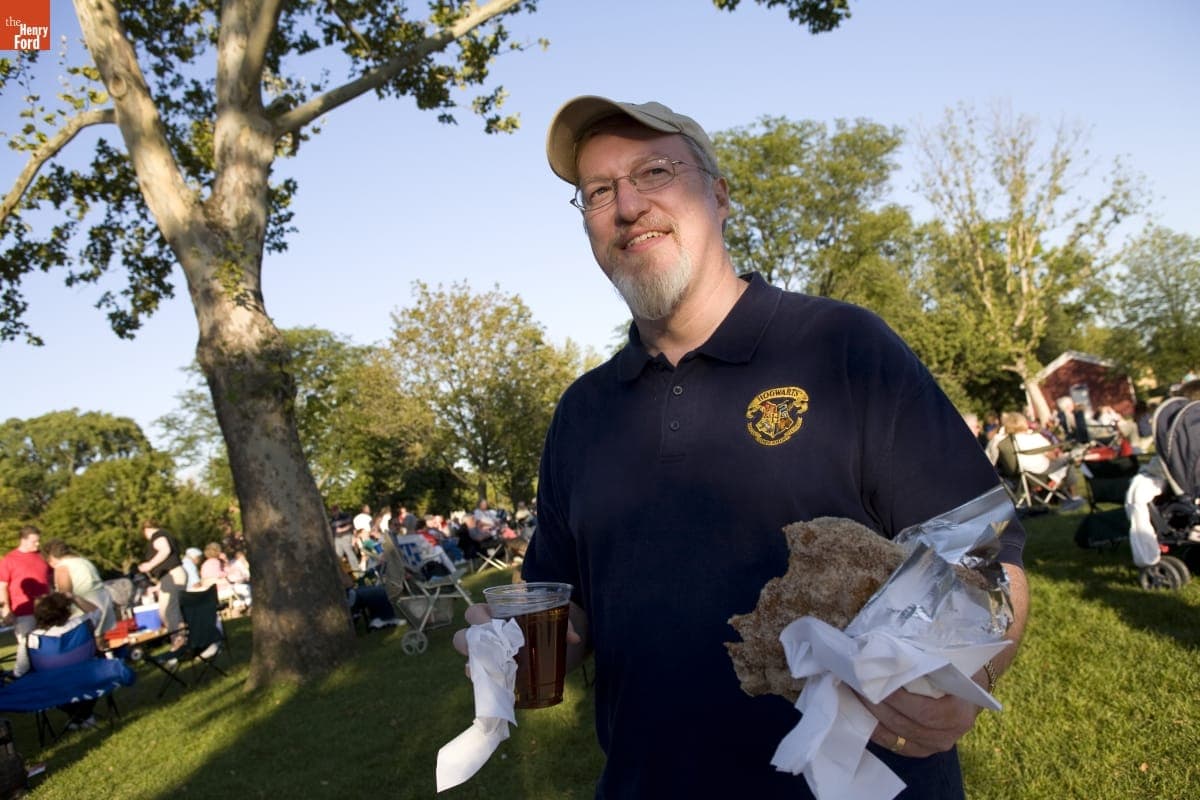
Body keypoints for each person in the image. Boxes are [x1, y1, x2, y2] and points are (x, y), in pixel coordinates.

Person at [454, 96, 1029, 799]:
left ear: (719, 196)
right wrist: (513, 650)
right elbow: (569, 610)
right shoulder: (582, 413)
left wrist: (972, 675)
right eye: (599, 191)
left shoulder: (843, 346)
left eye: (655, 172)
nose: (627, 206)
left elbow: (985, 555)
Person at [18, 591, 104, 730]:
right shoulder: (82, 624)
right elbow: (97, 612)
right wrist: (74, 597)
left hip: (53, 689)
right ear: (66, 610)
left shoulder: (31, 639)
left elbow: (20, 671)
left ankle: (79, 716)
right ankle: (84, 715)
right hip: (89, 679)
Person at [0, 526, 53, 678]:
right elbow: (2, 586)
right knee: (26, 644)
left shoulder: (41, 557)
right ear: (23, 540)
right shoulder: (9, 560)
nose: (37, 544)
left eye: (38, 541)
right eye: (34, 541)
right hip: (23, 611)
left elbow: (50, 581)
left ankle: (46, 672)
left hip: (46, 609)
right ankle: (20, 674)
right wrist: (6, 610)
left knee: (48, 643)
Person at [43, 539, 116, 635]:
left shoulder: (62, 567)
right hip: (104, 601)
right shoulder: (83, 561)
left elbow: (64, 594)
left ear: (51, 557)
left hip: (85, 606)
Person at [136, 519, 188, 650]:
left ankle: (179, 640)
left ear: (146, 530)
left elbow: (165, 550)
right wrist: (158, 586)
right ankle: (179, 638)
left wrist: (149, 565)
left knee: (169, 609)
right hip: (170, 576)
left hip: (172, 575)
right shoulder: (166, 534)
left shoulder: (157, 536)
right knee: (167, 609)